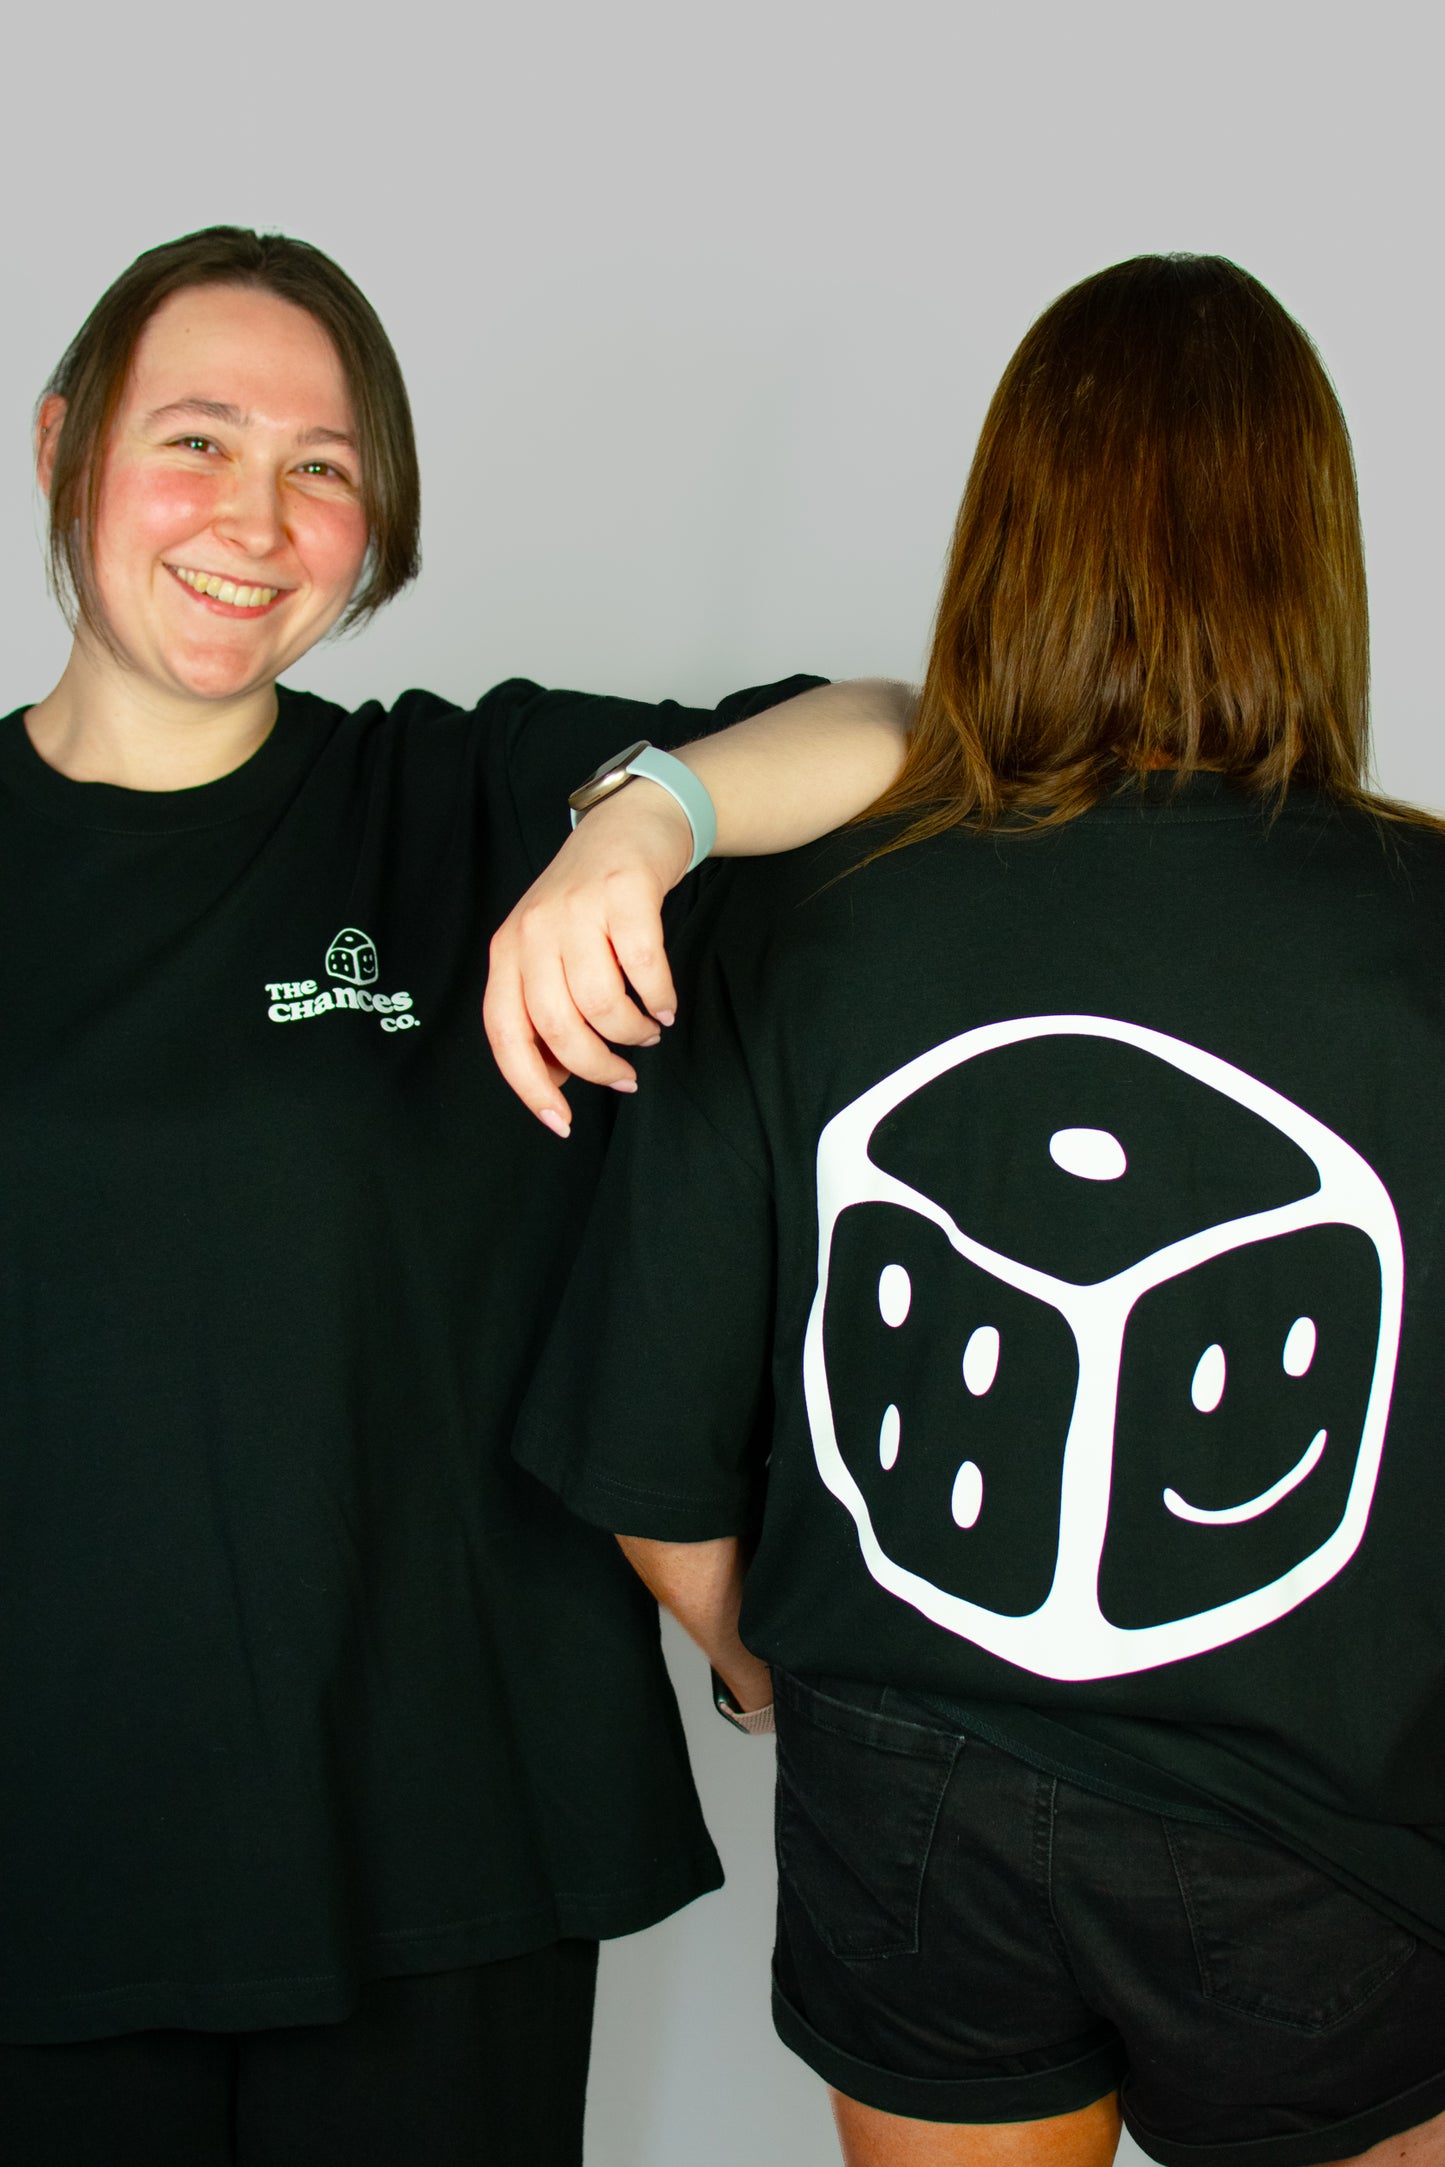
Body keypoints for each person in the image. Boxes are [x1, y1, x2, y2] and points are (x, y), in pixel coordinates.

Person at [513, 254, 1445, 2167]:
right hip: (1336, 1832)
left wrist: (786, 1684)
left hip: (914, 1810)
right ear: (1313, 553)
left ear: (1006, 538)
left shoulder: (805, 912)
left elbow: (654, 1475)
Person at [0, 222, 913, 2167]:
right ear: (64, 443)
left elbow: (903, 733)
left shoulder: (460, 800)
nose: (257, 520)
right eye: (197, 439)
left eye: (323, 466)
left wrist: (650, 820)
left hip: (436, 1848)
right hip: (49, 1854)